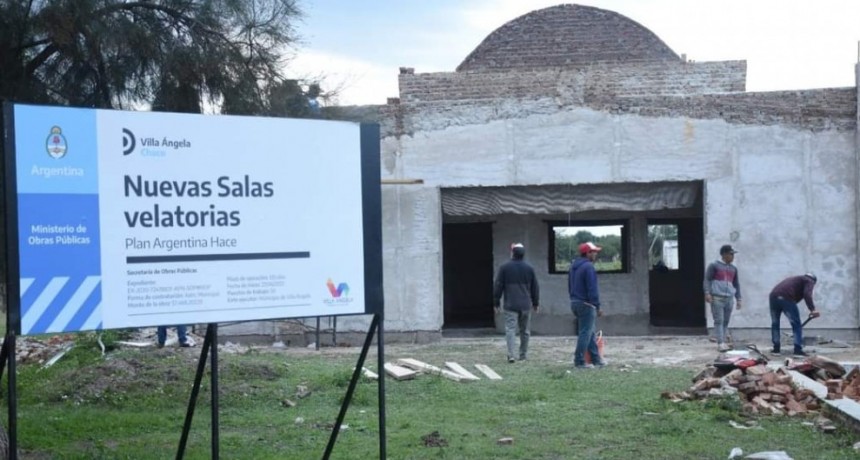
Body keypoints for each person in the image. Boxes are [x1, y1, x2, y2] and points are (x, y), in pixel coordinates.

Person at [493, 243, 540, 363]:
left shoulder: (504, 268)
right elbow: (535, 287)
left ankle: (511, 355)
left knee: (510, 329)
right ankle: (523, 355)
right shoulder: (529, 268)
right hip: (525, 304)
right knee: (525, 331)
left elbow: (498, 286)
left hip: (510, 304)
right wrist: (535, 303)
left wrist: (496, 302)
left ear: (512, 253)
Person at [569, 241, 606, 369]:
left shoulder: (573, 266)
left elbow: (570, 286)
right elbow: (592, 289)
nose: (595, 254)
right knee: (585, 333)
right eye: (594, 252)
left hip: (575, 302)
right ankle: (579, 361)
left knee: (590, 332)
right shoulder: (589, 267)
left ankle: (596, 359)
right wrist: (597, 306)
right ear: (588, 253)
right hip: (586, 303)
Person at [769, 273, 821, 357]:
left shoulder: (796, 280)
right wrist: (813, 309)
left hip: (773, 296)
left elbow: (796, 298)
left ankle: (776, 349)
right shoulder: (809, 281)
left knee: (775, 323)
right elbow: (807, 294)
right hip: (786, 297)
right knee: (796, 324)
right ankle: (797, 350)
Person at [703, 244, 742, 352]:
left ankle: (723, 341)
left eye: (733, 254)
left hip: (729, 298)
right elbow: (707, 280)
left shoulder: (733, 269)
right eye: (731, 254)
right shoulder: (714, 266)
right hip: (717, 297)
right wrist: (707, 293)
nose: (732, 257)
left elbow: (736, 284)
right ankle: (720, 343)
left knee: (725, 321)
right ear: (724, 254)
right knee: (719, 320)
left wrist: (738, 298)